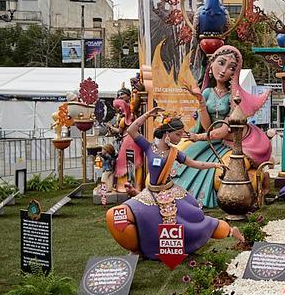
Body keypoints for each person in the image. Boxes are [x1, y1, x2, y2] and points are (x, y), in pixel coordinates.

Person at [106, 108, 240, 259]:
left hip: (171, 192)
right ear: (167, 133)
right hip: (150, 194)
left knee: (195, 219)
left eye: (182, 134)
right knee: (118, 215)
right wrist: (147, 115)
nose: (180, 138)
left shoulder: (175, 153)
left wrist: (215, 165)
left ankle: (228, 230)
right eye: (178, 134)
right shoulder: (149, 147)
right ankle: (138, 248)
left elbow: (195, 164)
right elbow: (131, 129)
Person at [180, 45, 272, 207]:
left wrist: (199, 137)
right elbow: (208, 126)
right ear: (212, 63)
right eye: (220, 63)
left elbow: (222, 131)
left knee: (220, 174)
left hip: (232, 142)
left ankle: (260, 180)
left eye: (231, 67)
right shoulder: (207, 92)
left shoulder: (233, 97)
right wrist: (200, 100)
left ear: (234, 73)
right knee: (182, 156)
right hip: (211, 140)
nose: (223, 70)